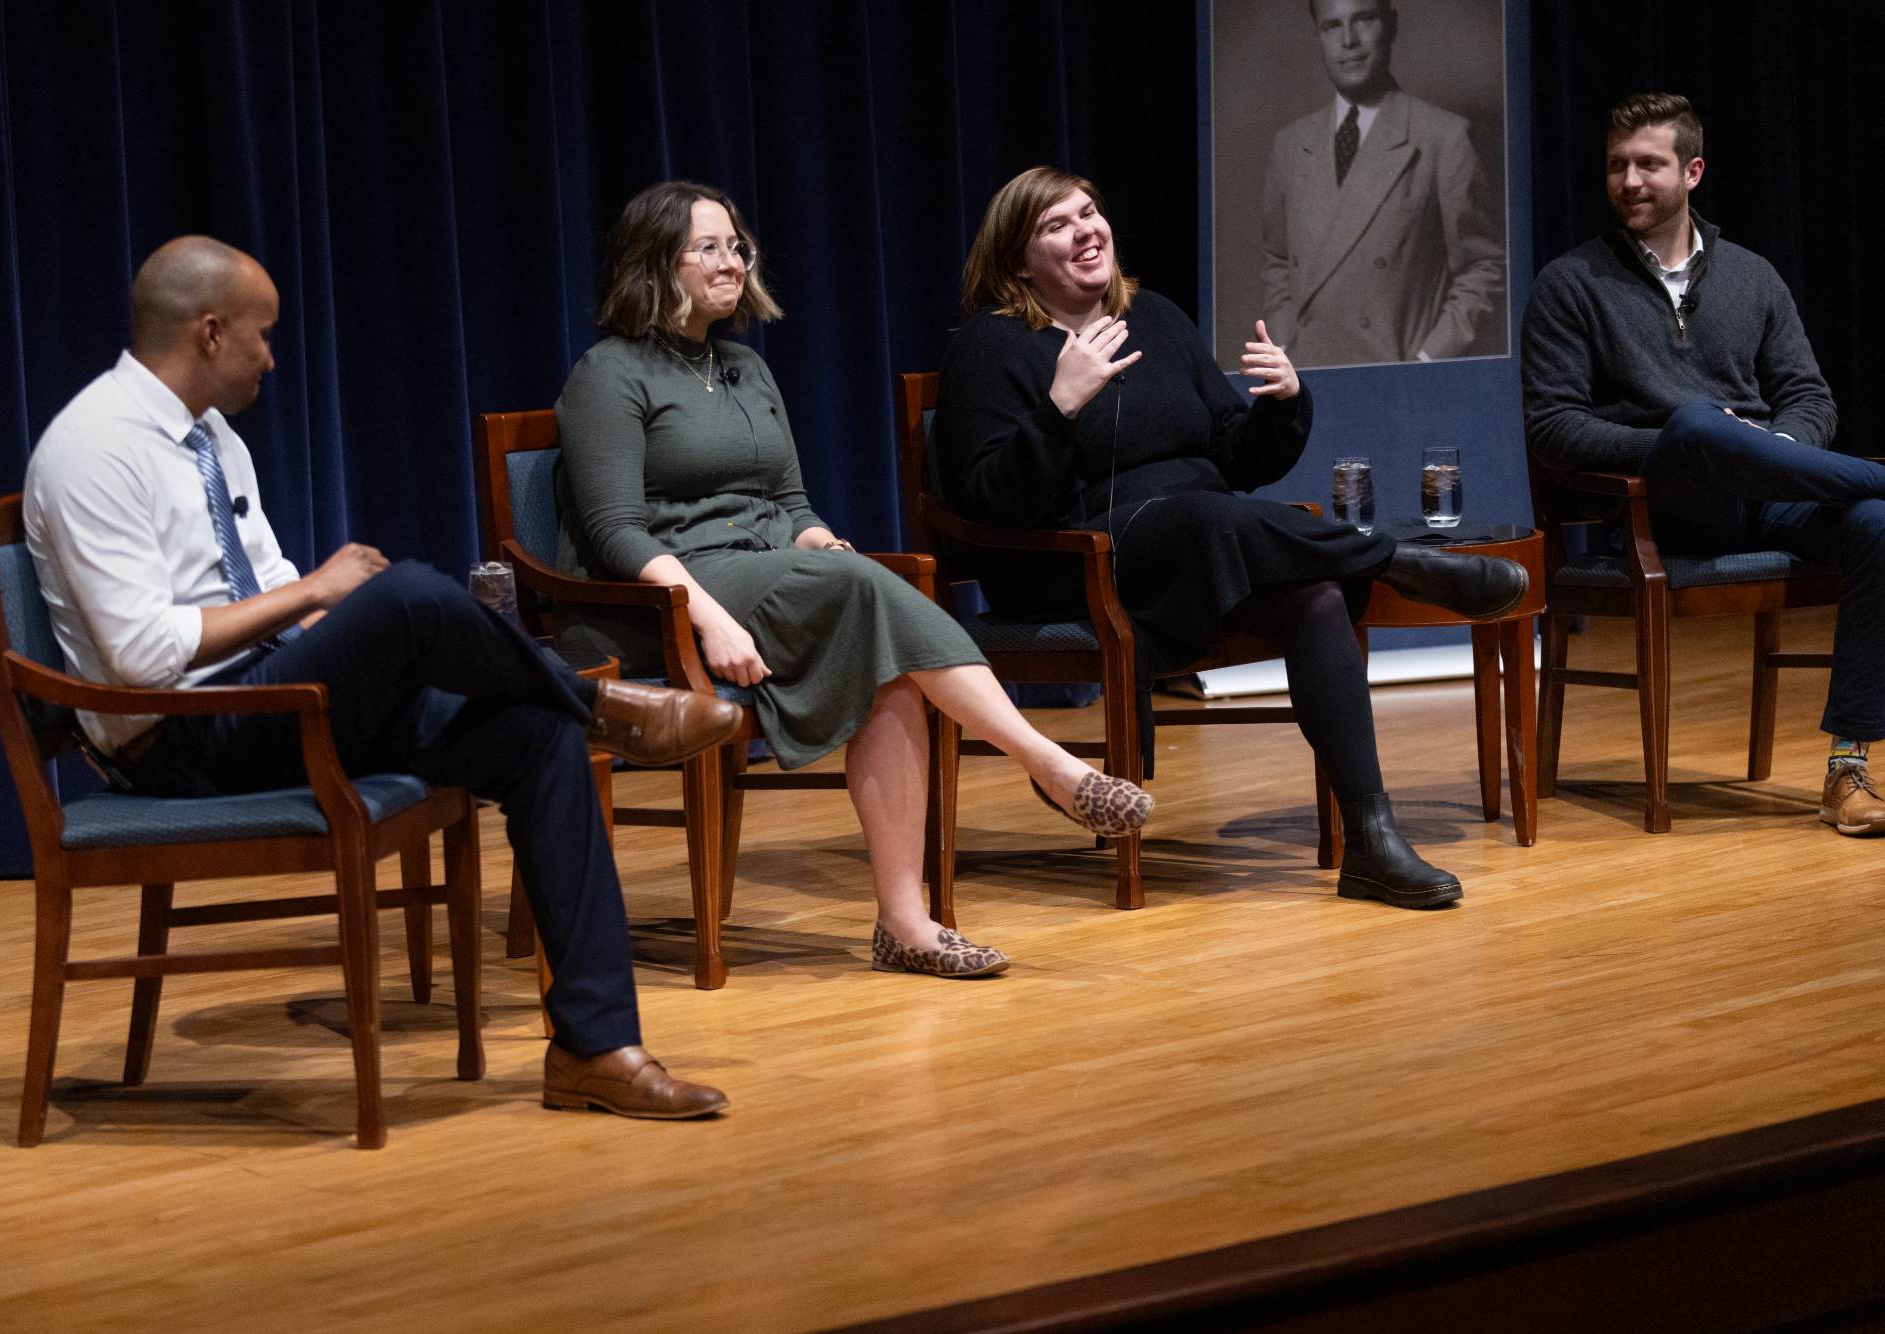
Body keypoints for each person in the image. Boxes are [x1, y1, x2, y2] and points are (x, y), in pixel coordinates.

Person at [24, 236, 743, 1119]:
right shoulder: (94, 449)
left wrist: (330, 622)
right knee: (402, 592)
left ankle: (597, 1050)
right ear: (209, 333)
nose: (272, 357)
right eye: (261, 335)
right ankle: (602, 702)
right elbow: (139, 658)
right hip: (179, 738)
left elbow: (269, 582)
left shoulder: (210, 438)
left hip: (270, 698)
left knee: (535, 738)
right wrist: (324, 595)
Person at [553, 181, 1154, 976]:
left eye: (737, 245)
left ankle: (905, 925)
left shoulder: (742, 370)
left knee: (888, 664)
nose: (731, 260)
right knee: (868, 591)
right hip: (660, 595)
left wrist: (819, 539)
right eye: (708, 247)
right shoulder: (610, 373)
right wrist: (709, 618)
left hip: (769, 575)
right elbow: (613, 529)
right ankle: (1050, 764)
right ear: (655, 263)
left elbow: (790, 501)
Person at [936, 166, 1530, 908]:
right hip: (1077, 566)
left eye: (1090, 212)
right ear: (1019, 260)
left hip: (1197, 554)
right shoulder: (990, 349)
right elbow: (988, 501)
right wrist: (1059, 406)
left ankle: (1373, 841)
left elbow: (1235, 457)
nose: (1087, 230)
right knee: (1201, 513)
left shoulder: (1154, 317)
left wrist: (1285, 402)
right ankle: (1398, 563)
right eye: (1057, 225)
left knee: (1314, 595)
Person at [1522, 92, 1885, 837]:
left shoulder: (1752, 276)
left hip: (1765, 496)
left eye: (1648, 164)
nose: (1629, 180)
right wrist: (1675, 443)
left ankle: (1847, 772)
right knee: (1694, 424)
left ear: (1692, 172)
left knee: (1876, 525)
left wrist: (1775, 451)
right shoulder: (1570, 284)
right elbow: (1553, 428)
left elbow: (1809, 398)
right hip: (1665, 502)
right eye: (1617, 165)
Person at [1261, 0, 1504, 367]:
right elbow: (1277, 261)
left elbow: (1483, 268)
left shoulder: (1445, 137)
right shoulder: (1290, 145)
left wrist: (1425, 361)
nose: (1348, 40)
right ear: (1318, 37)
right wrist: (1285, 348)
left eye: (1363, 20)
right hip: (1307, 380)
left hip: (1397, 387)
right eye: (1332, 26)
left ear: (1390, 25)